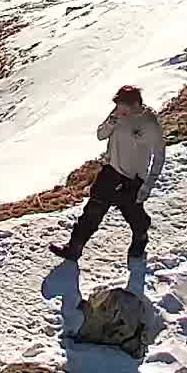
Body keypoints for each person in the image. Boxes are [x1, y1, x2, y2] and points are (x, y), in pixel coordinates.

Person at [51, 85, 163, 262]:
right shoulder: (117, 113)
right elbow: (101, 135)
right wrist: (112, 121)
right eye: (118, 106)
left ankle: (141, 235)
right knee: (93, 210)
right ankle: (74, 248)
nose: (119, 110)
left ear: (135, 104)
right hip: (110, 170)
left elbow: (159, 155)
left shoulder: (149, 123)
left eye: (123, 107)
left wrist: (148, 185)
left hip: (133, 178)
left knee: (131, 212)